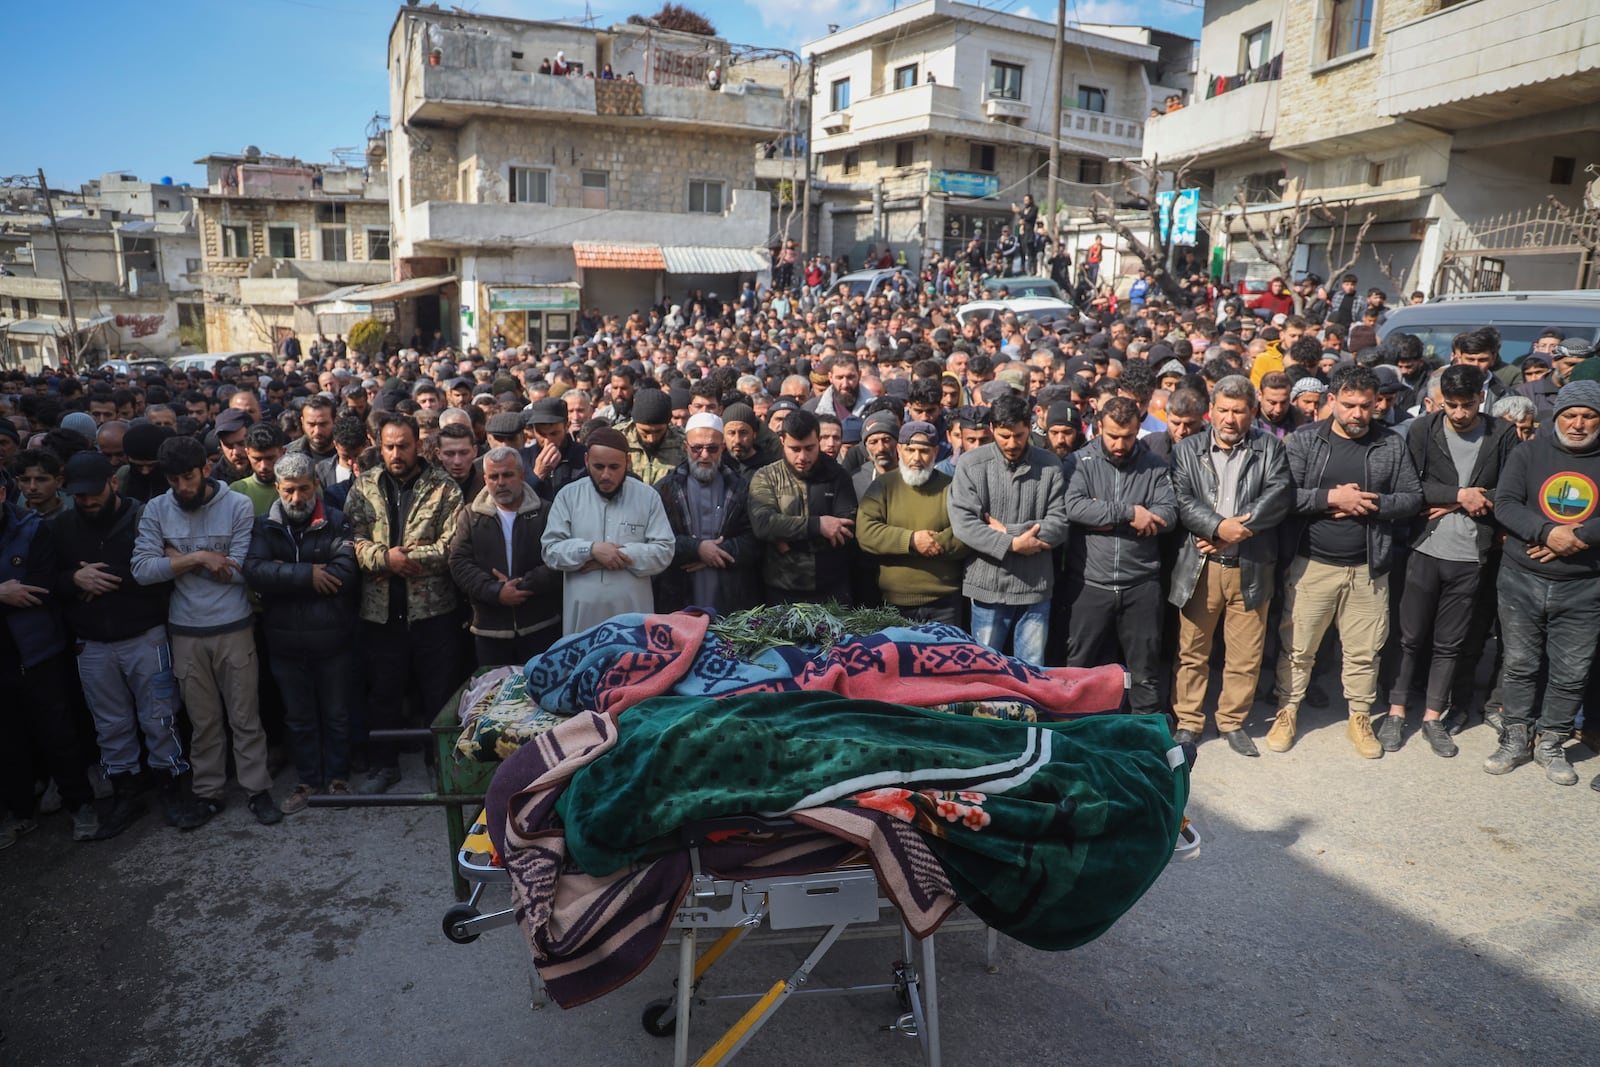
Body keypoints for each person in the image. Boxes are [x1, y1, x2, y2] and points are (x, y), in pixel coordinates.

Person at [50, 452, 208, 836]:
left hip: (145, 635)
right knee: (110, 724)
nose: (87, 502)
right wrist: (74, 580)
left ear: (113, 483)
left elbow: (165, 570)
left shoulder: (145, 518)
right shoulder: (60, 527)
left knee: (160, 717)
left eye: (93, 493)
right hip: (93, 643)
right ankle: (126, 792)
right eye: (79, 496)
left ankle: (171, 787)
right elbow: (46, 580)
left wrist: (105, 579)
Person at [1270, 365, 1423, 758]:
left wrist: (1372, 504)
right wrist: (1332, 499)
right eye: (1349, 405)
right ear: (1331, 401)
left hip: (1368, 568)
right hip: (1312, 564)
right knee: (1298, 646)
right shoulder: (1305, 442)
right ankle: (1287, 710)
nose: (1357, 414)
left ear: (1377, 404)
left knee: (1364, 649)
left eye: (1366, 407)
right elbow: (1283, 497)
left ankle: (1359, 717)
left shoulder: (1390, 444)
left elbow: (1411, 497)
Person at [131, 435, 280, 825]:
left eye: (189, 477)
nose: (183, 487)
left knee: (245, 716)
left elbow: (239, 572)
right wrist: (199, 557)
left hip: (234, 626)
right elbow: (142, 571)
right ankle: (208, 792)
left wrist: (175, 558)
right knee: (203, 721)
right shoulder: (156, 510)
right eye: (174, 479)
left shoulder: (238, 505)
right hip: (185, 631)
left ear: (206, 469)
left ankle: (257, 788)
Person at [1379, 366, 1517, 758]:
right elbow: (1411, 485)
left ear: (1482, 399)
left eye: (1467, 405)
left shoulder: (1501, 434)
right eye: (1451, 405)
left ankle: (1433, 717)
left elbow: (1508, 489)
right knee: (1408, 638)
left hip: (1472, 555)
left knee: (1450, 642)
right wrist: (1460, 494)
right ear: (1439, 401)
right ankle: (1396, 710)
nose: (1459, 414)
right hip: (1425, 549)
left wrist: (1463, 500)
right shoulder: (1424, 429)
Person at [1483, 380, 1600, 787]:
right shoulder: (1528, 452)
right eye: (1571, 415)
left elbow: (1584, 532)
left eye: (1589, 416)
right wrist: (1547, 533)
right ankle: (1516, 735)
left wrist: (1580, 539)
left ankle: (1552, 742)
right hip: (1522, 578)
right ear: (1557, 416)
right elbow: (1506, 504)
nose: (1579, 424)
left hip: (1585, 586)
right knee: (1519, 664)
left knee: (1571, 671)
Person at [1167, 377, 1293, 754]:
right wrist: (1217, 527)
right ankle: (1189, 721)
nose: (1229, 419)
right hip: (1201, 566)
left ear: (1253, 413)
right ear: (1211, 410)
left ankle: (1233, 721)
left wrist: (1236, 529)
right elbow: (1182, 498)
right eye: (1223, 410)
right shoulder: (1188, 450)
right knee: (1192, 651)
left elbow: (1279, 494)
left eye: (1239, 411)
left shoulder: (1269, 448)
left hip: (1251, 565)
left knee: (1245, 653)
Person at [345, 414, 464, 795]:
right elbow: (351, 539)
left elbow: (452, 546)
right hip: (380, 612)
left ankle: (439, 763)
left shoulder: (444, 488)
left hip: (433, 612)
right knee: (383, 693)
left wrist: (403, 561)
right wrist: (383, 558)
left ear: (419, 445)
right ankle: (384, 764)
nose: (396, 453)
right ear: (379, 446)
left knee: (439, 693)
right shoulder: (364, 486)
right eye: (389, 446)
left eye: (404, 445)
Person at [243, 453, 360, 814]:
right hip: (285, 643)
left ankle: (339, 780)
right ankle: (308, 780)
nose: (297, 498)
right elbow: (255, 571)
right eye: (289, 490)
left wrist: (285, 572)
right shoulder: (263, 526)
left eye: (304, 489)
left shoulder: (338, 522)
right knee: (299, 717)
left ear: (316, 486)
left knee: (338, 713)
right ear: (277, 488)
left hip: (333, 639)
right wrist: (309, 574)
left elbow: (344, 573)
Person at [0, 467, 101, 845]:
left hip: (37, 649)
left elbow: (37, 587)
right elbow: (12, 593)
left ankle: (80, 805)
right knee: (7, 740)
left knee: (58, 732)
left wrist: (14, 594)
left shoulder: (31, 528)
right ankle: (19, 811)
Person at [1061, 397, 1177, 711]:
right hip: (1089, 584)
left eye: (1127, 436)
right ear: (1099, 427)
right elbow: (1074, 508)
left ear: (1138, 430)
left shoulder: (1154, 466)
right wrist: (1129, 514)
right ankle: (1078, 735)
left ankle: (1146, 739)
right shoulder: (1078, 462)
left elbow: (1167, 514)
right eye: (1112, 435)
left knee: (1145, 673)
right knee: (1080, 670)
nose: (1119, 443)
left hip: (1141, 584)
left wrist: (1102, 519)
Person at [947, 394, 1070, 665]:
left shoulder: (1050, 465)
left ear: (1030, 427)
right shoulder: (972, 465)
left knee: (1031, 669)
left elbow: (1059, 524)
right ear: (992, 429)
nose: (1012, 443)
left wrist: (1007, 531)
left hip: (1035, 588)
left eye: (1019, 435)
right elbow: (964, 524)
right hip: (988, 587)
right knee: (986, 671)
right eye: (1004, 436)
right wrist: (1014, 544)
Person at [542, 426, 673, 634]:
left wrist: (617, 555)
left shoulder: (647, 497)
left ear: (627, 463)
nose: (606, 475)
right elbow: (550, 551)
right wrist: (591, 550)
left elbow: (664, 551)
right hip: (582, 623)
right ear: (586, 461)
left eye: (614, 467)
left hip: (633, 622)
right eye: (598, 466)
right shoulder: (568, 496)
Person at [447, 447, 562, 666]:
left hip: (540, 627)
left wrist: (522, 586)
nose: (500, 482)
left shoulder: (546, 512)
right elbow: (458, 562)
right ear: (485, 479)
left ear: (522, 475)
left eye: (507, 475)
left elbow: (558, 560)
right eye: (493, 476)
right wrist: (495, 591)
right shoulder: (470, 516)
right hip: (491, 632)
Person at [856, 420, 968, 624]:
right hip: (894, 602)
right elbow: (866, 532)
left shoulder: (952, 487)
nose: (917, 458)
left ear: (935, 451)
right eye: (910, 450)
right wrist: (911, 541)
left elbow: (966, 531)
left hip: (944, 603)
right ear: (899, 450)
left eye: (924, 451)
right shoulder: (883, 486)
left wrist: (935, 544)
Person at [747, 410, 859, 604]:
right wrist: (818, 526)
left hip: (831, 589)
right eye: (795, 449)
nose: (803, 457)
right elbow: (763, 525)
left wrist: (785, 538)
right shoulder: (767, 477)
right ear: (782, 442)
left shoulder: (837, 476)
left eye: (810, 448)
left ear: (818, 441)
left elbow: (846, 531)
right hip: (783, 589)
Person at [652, 413, 760, 615]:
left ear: (723, 448)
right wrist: (697, 548)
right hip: (678, 595)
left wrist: (717, 553)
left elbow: (754, 540)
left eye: (712, 448)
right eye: (696, 448)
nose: (704, 455)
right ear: (685, 447)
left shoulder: (740, 487)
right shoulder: (666, 489)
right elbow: (657, 541)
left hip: (729, 594)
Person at [522, 396, 587, 502]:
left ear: (567, 426)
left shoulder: (583, 456)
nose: (548, 441)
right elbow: (517, 499)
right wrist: (537, 475)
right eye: (541, 434)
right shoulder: (522, 458)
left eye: (554, 433)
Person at [620, 388, 685, 487]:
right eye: (645, 431)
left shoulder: (683, 443)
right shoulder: (618, 439)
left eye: (658, 431)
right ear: (635, 423)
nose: (652, 438)